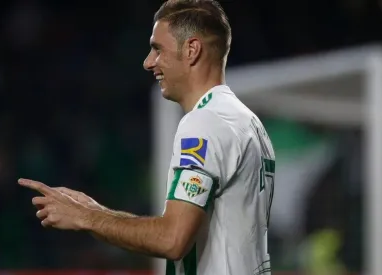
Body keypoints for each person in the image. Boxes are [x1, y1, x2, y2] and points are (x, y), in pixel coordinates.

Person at [18, 0, 276, 274]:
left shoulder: (205, 122)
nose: (148, 62)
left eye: (157, 49)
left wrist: (86, 217)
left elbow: (172, 240)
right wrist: (96, 210)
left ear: (191, 50)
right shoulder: (250, 123)